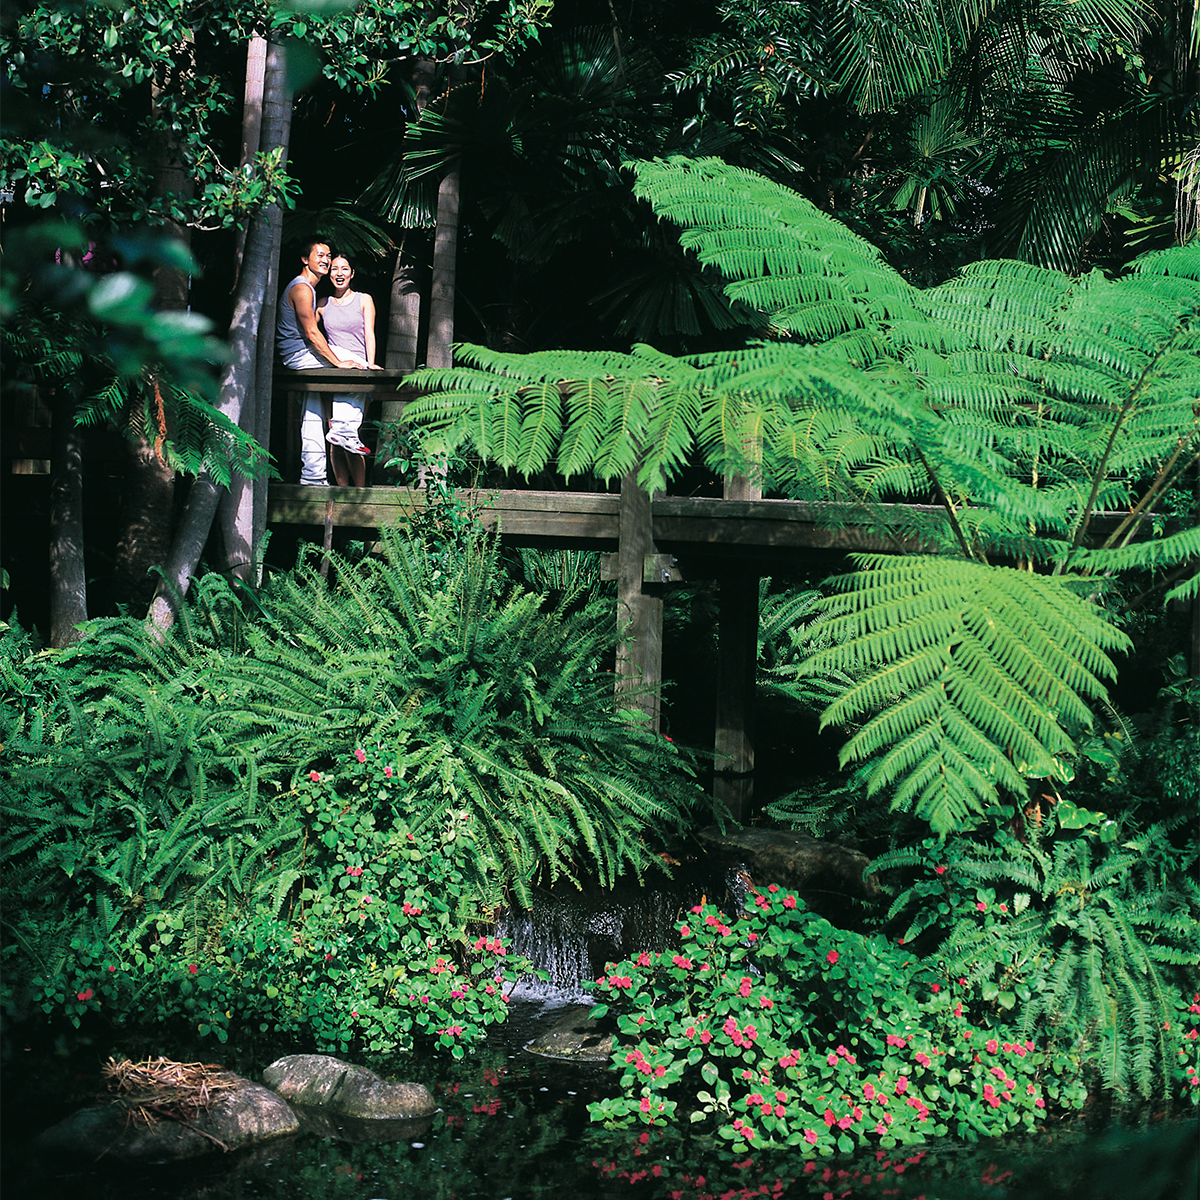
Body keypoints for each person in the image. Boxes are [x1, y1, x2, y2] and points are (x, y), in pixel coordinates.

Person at [276, 239, 359, 486]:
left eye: (328, 255)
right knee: (358, 367)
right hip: (298, 355)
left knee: (312, 411)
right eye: (319, 255)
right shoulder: (301, 289)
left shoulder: (310, 289)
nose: (325, 260)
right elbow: (312, 334)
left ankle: (313, 477)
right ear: (305, 259)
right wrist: (338, 363)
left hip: (300, 354)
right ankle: (345, 430)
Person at [317, 254, 381, 485]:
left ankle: (360, 494)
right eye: (334, 269)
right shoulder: (322, 304)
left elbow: (369, 333)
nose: (339, 273)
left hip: (357, 370)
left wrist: (370, 364)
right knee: (334, 434)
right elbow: (307, 332)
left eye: (344, 268)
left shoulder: (364, 300)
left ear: (352, 273)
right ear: (329, 273)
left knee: (350, 435)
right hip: (333, 371)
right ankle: (342, 492)